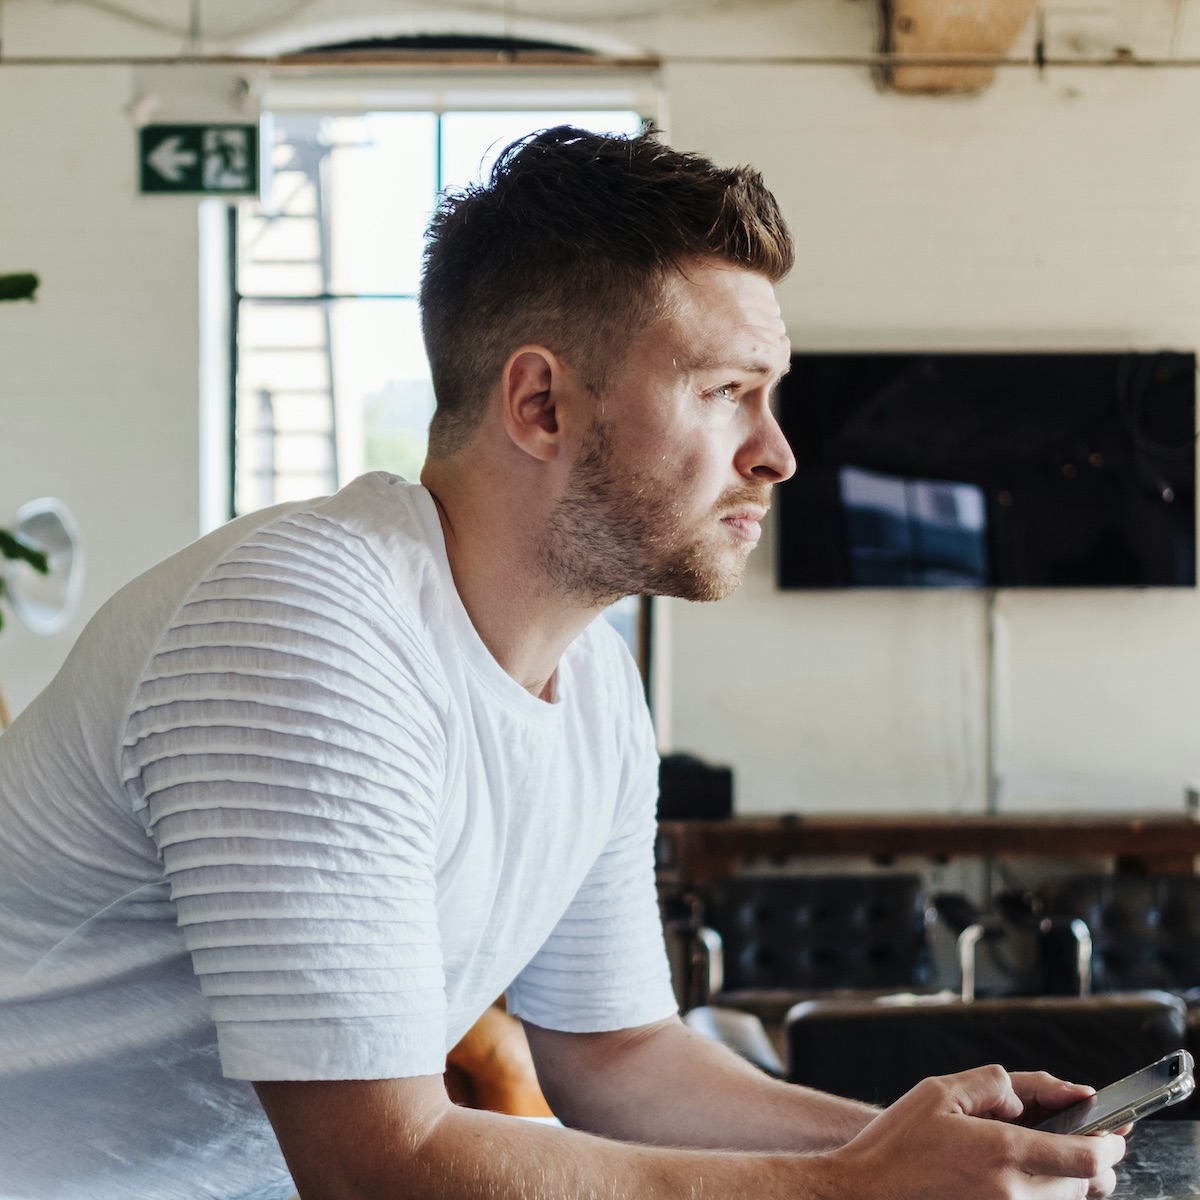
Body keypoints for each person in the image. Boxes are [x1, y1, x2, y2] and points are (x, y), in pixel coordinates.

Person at [0, 125, 1124, 1200]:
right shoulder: (308, 624)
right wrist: (846, 1187)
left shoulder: (593, 681)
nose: (777, 453)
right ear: (540, 404)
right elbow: (380, 1167)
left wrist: (921, 1152)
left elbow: (621, 1055)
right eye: (726, 390)